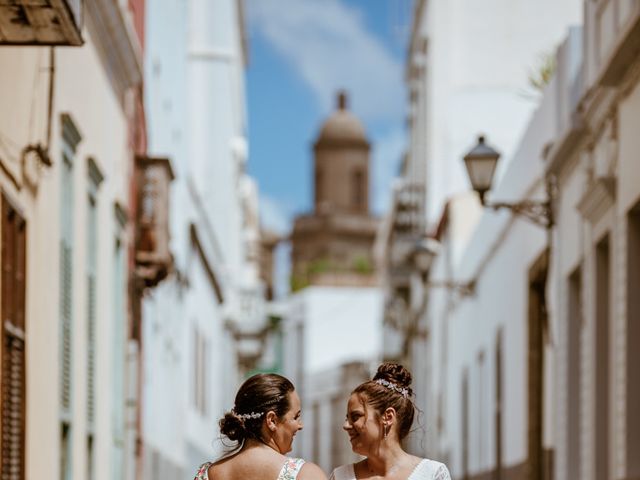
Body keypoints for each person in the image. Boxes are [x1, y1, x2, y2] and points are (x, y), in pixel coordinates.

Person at [194, 373, 327, 480]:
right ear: (272, 420)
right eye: (295, 417)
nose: (300, 425)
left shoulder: (207, 475)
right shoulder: (306, 475)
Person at [330, 363, 451, 480]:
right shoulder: (341, 476)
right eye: (347, 418)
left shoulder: (432, 474)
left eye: (356, 416)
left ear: (387, 417)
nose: (346, 426)